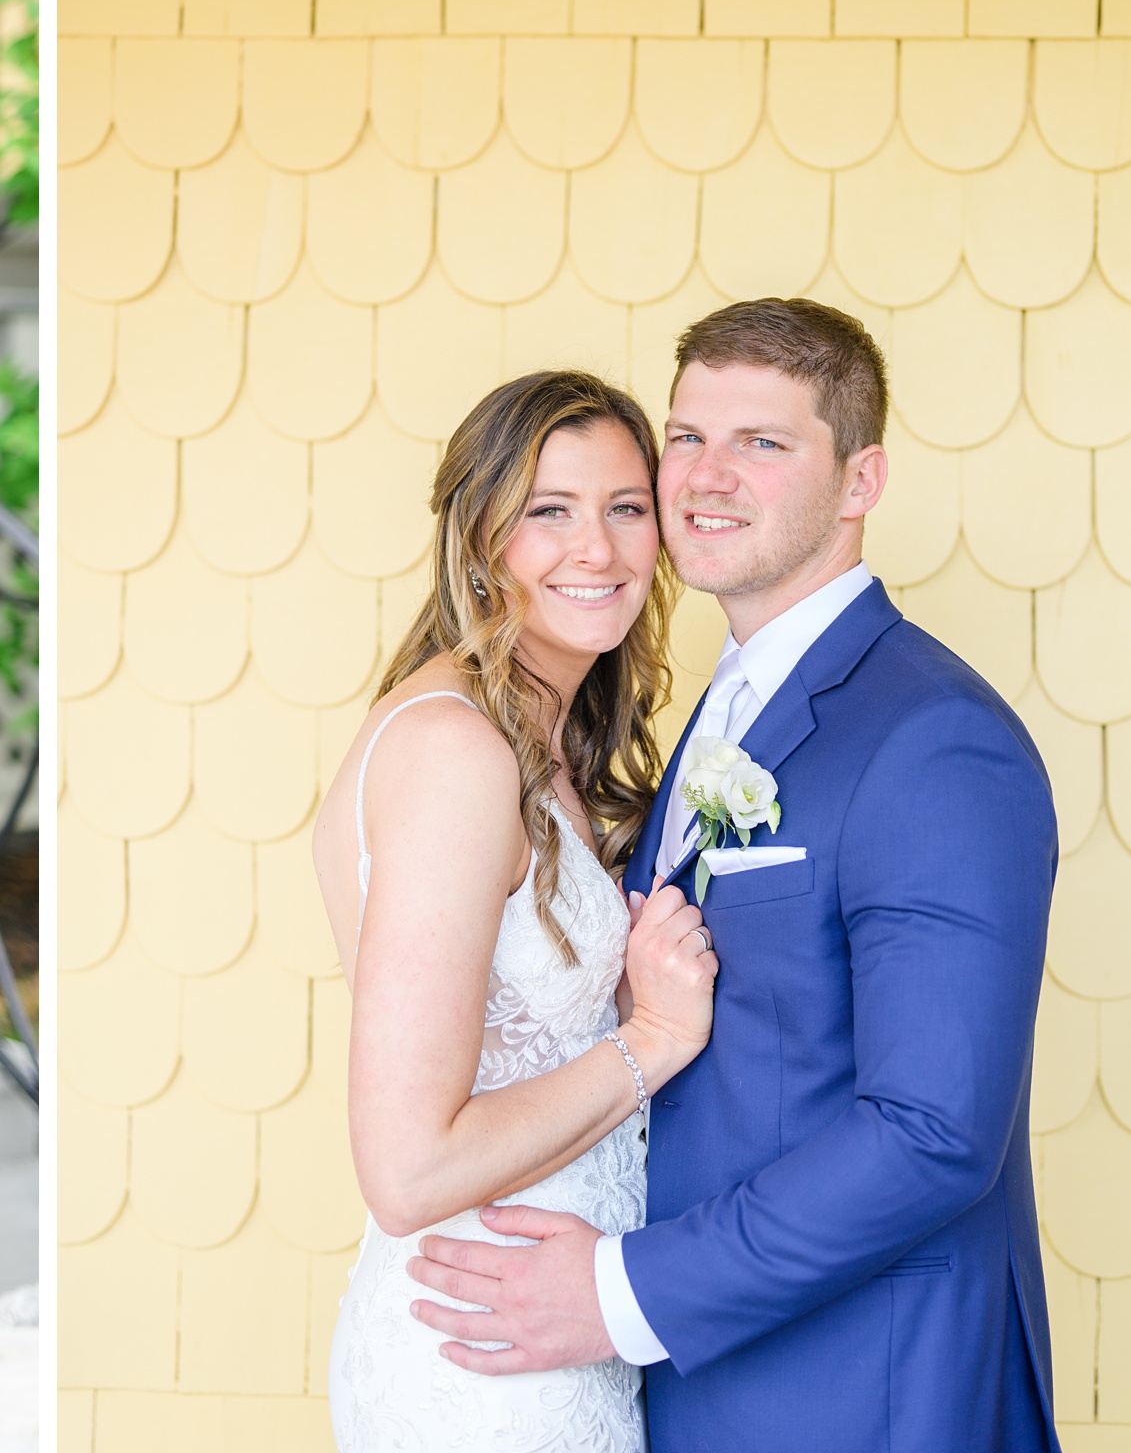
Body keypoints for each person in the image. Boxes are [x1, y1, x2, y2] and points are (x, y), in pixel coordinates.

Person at [408, 301, 1060, 1452]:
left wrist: (620, 1293)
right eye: (687, 436)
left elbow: (933, 1131)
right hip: (707, 1379)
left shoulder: (935, 740)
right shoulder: (723, 704)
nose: (706, 478)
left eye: (763, 443)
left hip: (866, 1388)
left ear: (861, 480)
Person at [312, 369, 718, 1452]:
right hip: (478, 1359)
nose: (600, 549)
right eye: (550, 511)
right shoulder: (453, 751)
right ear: (482, 533)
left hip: (551, 1336)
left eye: (626, 508)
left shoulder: (541, 743)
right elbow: (410, 1167)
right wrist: (656, 1038)